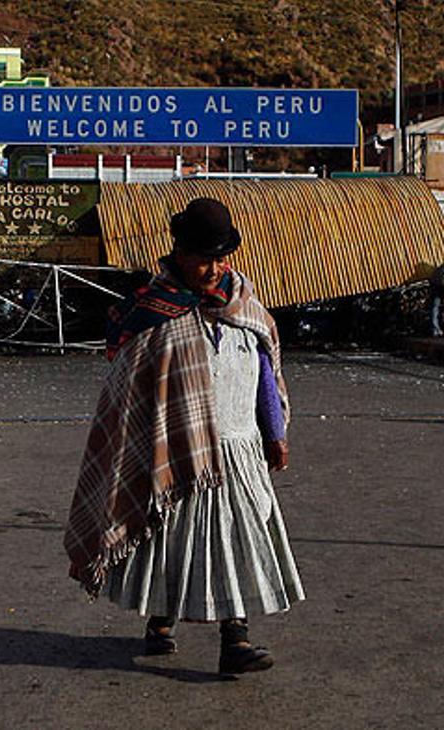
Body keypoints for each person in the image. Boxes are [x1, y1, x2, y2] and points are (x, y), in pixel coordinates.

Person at [65, 197, 303, 675]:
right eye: (202, 259)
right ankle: (161, 623)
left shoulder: (244, 306)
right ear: (179, 253)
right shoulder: (151, 314)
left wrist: (274, 431)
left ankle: (235, 638)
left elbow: (263, 369)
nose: (213, 269)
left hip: (237, 450)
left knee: (236, 540)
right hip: (174, 453)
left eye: (221, 258)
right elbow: (128, 396)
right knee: (169, 541)